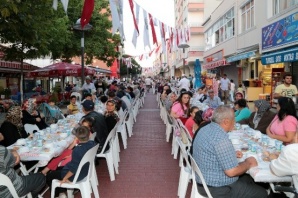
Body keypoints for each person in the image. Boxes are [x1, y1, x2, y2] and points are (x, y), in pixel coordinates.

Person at [192, 105, 267, 198]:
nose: (235, 122)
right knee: (262, 193)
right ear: (226, 122)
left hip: (203, 182)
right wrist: (248, 163)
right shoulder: (221, 138)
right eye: (233, 120)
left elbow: (212, 151)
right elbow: (232, 172)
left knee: (249, 179)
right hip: (218, 188)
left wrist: (231, 153)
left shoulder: (205, 128)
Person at [46, 126, 97, 198]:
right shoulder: (92, 143)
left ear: (77, 137)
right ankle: (62, 192)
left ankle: (57, 195)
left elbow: (73, 169)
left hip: (76, 176)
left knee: (50, 176)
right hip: (86, 171)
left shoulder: (77, 150)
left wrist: (65, 178)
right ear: (89, 134)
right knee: (59, 168)